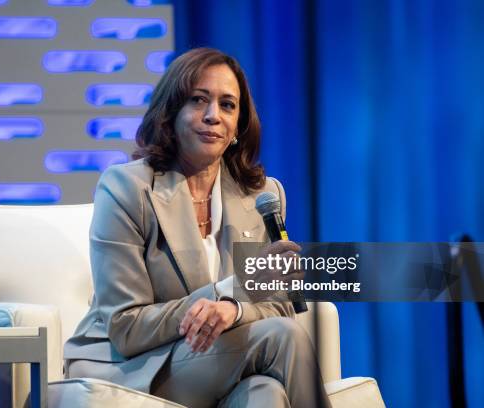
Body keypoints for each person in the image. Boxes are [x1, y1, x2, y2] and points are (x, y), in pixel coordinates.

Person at [64, 48, 331, 408]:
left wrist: (234, 308)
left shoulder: (263, 196)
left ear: (238, 126)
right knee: (284, 338)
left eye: (227, 105)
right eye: (198, 100)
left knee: (266, 393)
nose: (212, 116)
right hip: (135, 366)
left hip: (221, 358)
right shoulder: (127, 188)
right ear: (171, 112)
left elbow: (282, 304)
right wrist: (227, 291)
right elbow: (125, 326)